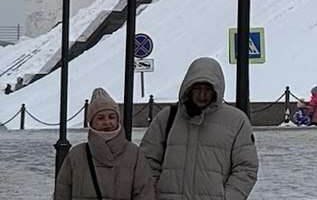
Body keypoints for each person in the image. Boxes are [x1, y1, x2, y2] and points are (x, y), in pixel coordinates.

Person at [140, 56, 258, 200]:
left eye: (208, 89)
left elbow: (246, 168)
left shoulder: (236, 121)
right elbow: (147, 160)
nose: (202, 95)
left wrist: (228, 197)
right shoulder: (167, 118)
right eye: (197, 88)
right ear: (188, 88)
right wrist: (156, 192)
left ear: (216, 89)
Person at [54, 87, 155, 200]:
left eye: (111, 117)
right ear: (92, 122)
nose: (107, 122)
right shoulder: (76, 155)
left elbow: (144, 192)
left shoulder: (134, 154)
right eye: (100, 118)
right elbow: (62, 193)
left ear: (118, 119)